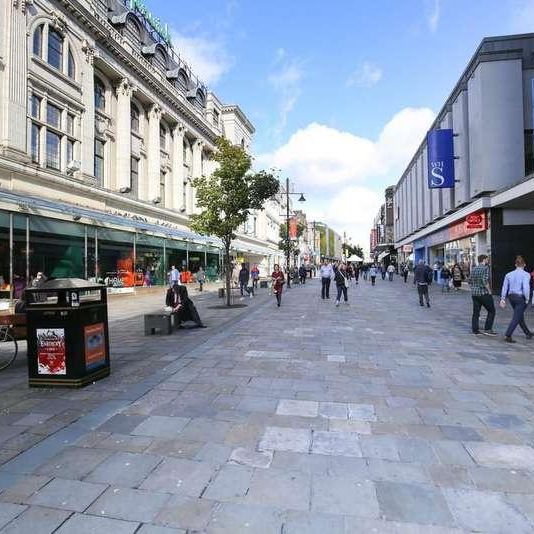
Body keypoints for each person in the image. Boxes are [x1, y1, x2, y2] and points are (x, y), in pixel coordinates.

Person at [500, 255, 532, 343]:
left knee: (519, 315)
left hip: (511, 297)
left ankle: (527, 333)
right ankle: (508, 334)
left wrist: (503, 298)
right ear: (524, 265)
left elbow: (504, 287)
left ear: (515, 265)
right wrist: (527, 298)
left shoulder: (508, 274)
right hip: (520, 297)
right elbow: (526, 287)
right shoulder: (526, 275)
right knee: (517, 317)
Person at [469, 255, 497, 336]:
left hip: (474, 294)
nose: (488, 261)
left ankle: (475, 330)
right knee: (492, 310)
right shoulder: (485, 268)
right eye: (487, 259)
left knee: (476, 312)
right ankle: (487, 329)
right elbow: (485, 281)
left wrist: (474, 287)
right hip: (483, 293)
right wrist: (489, 291)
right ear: (484, 260)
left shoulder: (474, 268)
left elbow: (469, 280)